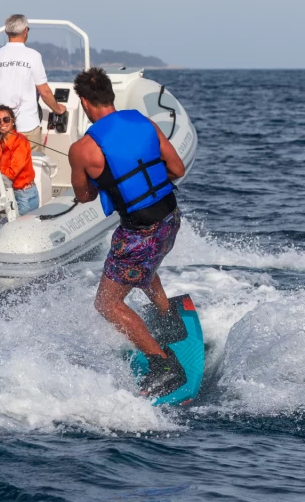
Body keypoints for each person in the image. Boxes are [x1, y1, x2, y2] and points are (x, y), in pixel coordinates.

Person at [68, 67, 187, 396]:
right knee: (144, 265)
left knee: (108, 304)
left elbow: (84, 196)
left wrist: (104, 179)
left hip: (140, 234)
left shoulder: (82, 149)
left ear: (83, 102)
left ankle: (163, 365)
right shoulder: (143, 121)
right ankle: (167, 317)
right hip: (170, 221)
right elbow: (177, 169)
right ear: (111, 94)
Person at [0, 14, 67, 152]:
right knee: (29, 167)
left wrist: (7, 89)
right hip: (27, 127)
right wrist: (57, 109)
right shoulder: (33, 56)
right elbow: (44, 92)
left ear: (6, 32)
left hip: (1, 127)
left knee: (2, 168)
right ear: (26, 31)